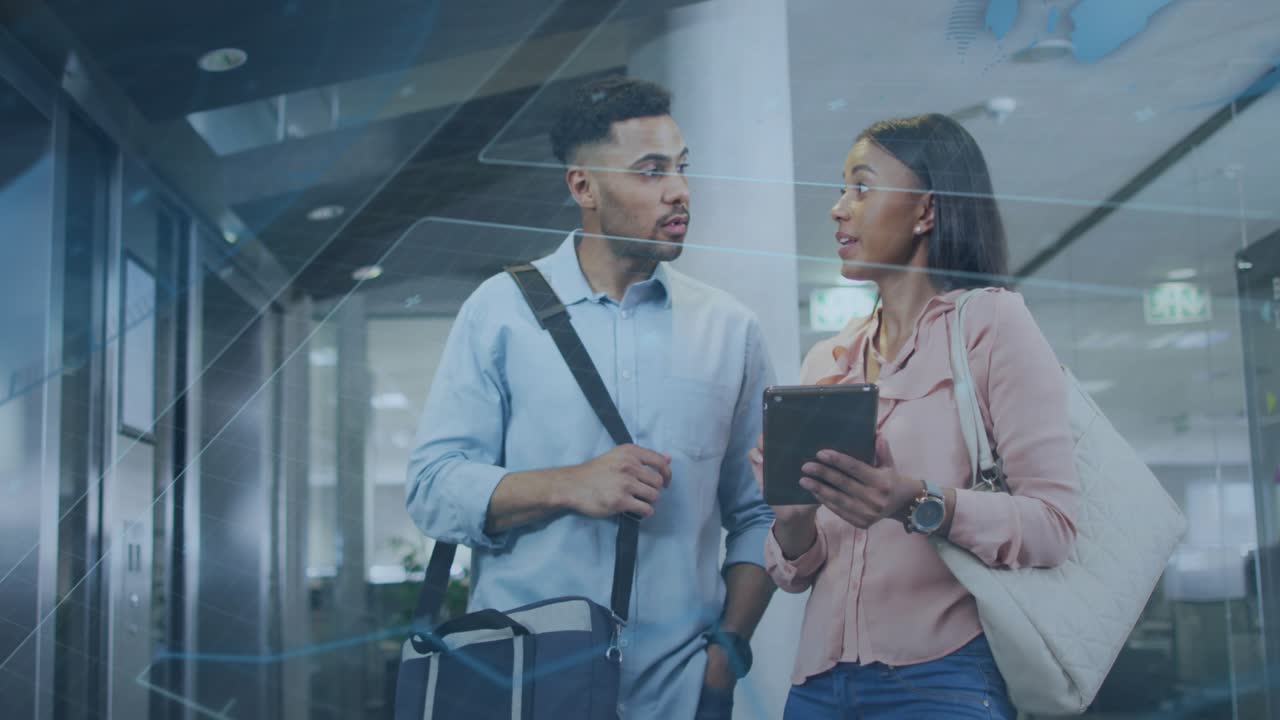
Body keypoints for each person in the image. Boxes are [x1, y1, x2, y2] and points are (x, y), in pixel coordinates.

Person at [406, 77, 776, 720]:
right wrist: (568, 484)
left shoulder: (730, 330)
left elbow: (759, 515)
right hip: (526, 690)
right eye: (650, 171)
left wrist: (726, 656)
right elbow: (433, 488)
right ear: (583, 187)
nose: (679, 191)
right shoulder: (499, 313)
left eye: (682, 169)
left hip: (678, 697)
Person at [749, 113, 1079, 719]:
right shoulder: (830, 359)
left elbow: (1054, 525)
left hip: (943, 678)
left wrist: (918, 502)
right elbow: (797, 573)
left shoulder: (990, 324)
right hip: (818, 684)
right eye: (841, 190)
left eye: (862, 187)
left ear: (925, 211)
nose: (839, 209)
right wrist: (793, 522)